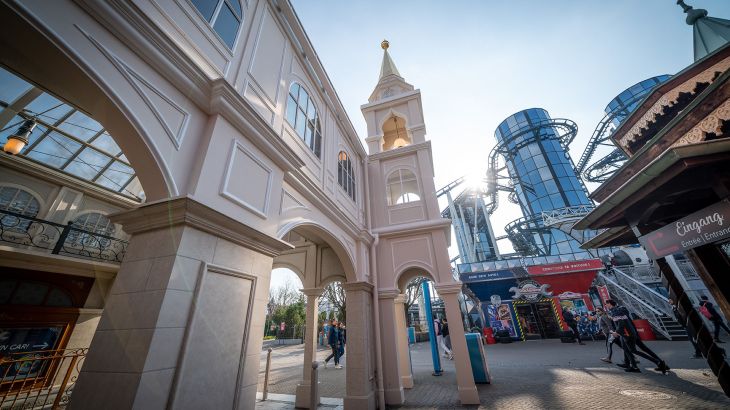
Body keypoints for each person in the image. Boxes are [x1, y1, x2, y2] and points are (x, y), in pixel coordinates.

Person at [605, 299, 669, 374]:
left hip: (628, 334)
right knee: (627, 349)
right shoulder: (621, 309)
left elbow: (621, 323)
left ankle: (659, 362)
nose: (606, 306)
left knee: (637, 349)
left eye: (606, 304)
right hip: (629, 332)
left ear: (609, 304)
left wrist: (617, 332)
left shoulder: (616, 312)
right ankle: (632, 366)